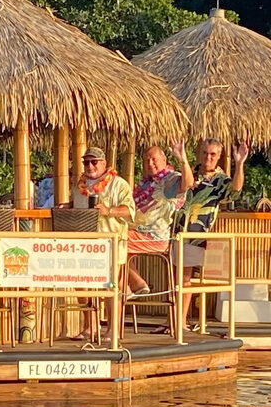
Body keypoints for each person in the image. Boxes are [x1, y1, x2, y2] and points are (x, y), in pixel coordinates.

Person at [155, 138, 249, 334]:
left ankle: (180, 321)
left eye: (213, 154)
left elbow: (236, 190)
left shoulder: (220, 180)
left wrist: (239, 164)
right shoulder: (191, 173)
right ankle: (170, 319)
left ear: (218, 157)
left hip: (196, 234)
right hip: (176, 231)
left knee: (185, 277)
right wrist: (181, 158)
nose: (208, 157)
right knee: (173, 278)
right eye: (205, 153)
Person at [69, 147, 135, 340]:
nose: (89, 166)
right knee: (81, 286)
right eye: (86, 162)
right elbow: (77, 206)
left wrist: (110, 211)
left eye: (94, 162)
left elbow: (131, 211)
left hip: (111, 244)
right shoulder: (79, 186)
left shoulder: (118, 184)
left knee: (111, 287)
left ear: (104, 164)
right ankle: (90, 326)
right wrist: (68, 206)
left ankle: (113, 330)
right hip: (84, 245)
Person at [127, 142, 194, 297]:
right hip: (137, 231)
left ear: (164, 161)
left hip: (154, 236)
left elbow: (188, 184)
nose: (150, 163)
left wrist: (182, 158)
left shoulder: (169, 180)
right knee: (112, 236)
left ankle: (133, 283)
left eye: (154, 159)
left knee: (114, 240)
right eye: (146, 160)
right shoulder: (146, 182)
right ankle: (128, 284)